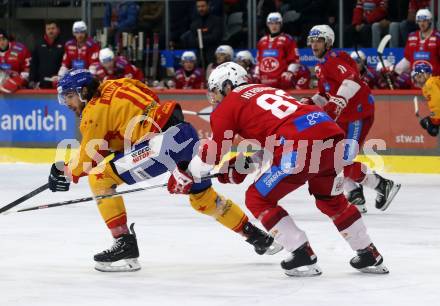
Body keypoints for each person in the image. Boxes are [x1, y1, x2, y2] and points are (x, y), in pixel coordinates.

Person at [168, 61, 389, 276]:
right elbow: (275, 141)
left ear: (228, 85)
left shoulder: (229, 103)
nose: (215, 98)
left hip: (299, 144)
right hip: (329, 135)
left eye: (216, 91)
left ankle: (301, 252)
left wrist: (188, 173)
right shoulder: (266, 90)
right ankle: (369, 253)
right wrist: (243, 165)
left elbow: (213, 153)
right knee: (331, 200)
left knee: (257, 198)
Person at [49, 69, 282, 272]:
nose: (68, 103)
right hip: (183, 132)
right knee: (203, 199)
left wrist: (65, 172)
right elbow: (147, 99)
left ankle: (125, 245)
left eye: (69, 96)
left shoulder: (93, 112)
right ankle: (257, 237)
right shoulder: (118, 83)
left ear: (83, 92)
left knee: (100, 178)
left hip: (160, 146)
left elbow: (88, 160)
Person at [305, 25, 400, 213]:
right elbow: (325, 94)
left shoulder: (334, 60)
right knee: (333, 158)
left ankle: (380, 185)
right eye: (312, 40)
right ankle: (355, 193)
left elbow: (351, 80)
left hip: (357, 114)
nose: (314, 44)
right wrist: (310, 102)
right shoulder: (321, 65)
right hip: (346, 116)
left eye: (319, 40)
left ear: (328, 42)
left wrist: (338, 101)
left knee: (342, 160)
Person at [254, 12, 301, 90]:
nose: (274, 26)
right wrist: (256, 74)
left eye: (276, 23)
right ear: (267, 24)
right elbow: (258, 61)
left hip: (281, 84)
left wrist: (289, 72)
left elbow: (295, 60)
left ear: (281, 24)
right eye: (271, 23)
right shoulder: (262, 41)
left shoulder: (288, 40)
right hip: (263, 83)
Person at [395, 9, 440, 77]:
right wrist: (395, 70)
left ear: (430, 21)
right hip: (415, 83)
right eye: (419, 21)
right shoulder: (411, 37)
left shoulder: (438, 37)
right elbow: (408, 59)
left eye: (424, 21)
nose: (422, 24)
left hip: (434, 83)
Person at [29, 20, 64, 89]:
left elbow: (66, 65)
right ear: (45, 30)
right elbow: (34, 63)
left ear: (58, 29)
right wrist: (32, 80)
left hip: (58, 84)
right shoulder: (38, 44)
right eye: (48, 29)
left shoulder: (64, 44)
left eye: (53, 28)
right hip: (41, 84)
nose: (50, 31)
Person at [411, 63, 440, 137]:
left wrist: (433, 121)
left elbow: (437, 105)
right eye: (417, 76)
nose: (417, 78)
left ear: (427, 74)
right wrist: (431, 119)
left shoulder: (429, 84)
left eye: (419, 75)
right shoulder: (432, 81)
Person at [0, 29, 31, 94]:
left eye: (3, 39)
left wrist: (16, 82)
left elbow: (28, 71)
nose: (1, 43)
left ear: (8, 39)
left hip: (18, 90)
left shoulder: (20, 49)